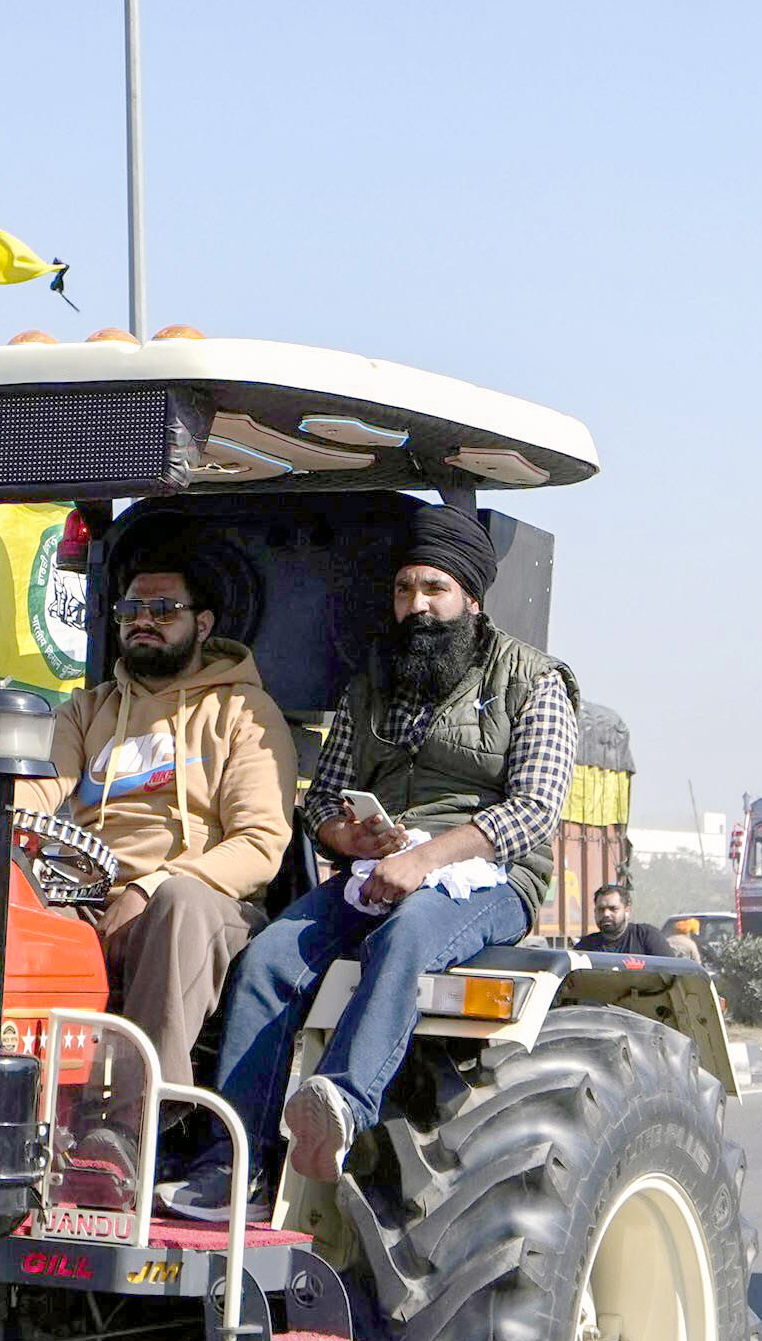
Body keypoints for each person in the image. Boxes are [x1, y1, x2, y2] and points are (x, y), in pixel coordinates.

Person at [168, 501, 575, 1210]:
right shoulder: (371, 682)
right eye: (403, 590)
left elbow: (533, 810)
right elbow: (322, 797)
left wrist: (428, 860)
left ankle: (343, 1107)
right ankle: (232, 1163)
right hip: (376, 871)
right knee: (268, 960)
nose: (416, 606)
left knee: (408, 933)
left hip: (491, 879)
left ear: (471, 600)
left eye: (434, 590)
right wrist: (345, 836)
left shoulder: (534, 681)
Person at [0, 554, 296, 1086]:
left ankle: (136, 1117)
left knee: (178, 905)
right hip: (88, 902)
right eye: (131, 609)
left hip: (202, 908)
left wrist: (152, 886)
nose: (143, 621)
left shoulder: (245, 712)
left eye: (164, 610)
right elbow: (39, 790)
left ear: (201, 625)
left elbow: (260, 844)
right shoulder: (87, 710)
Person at [576, 880, 676, 957]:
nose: (606, 914)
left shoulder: (646, 937)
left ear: (627, 911)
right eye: (601, 909)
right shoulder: (585, 947)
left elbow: (672, 973)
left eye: (613, 908)